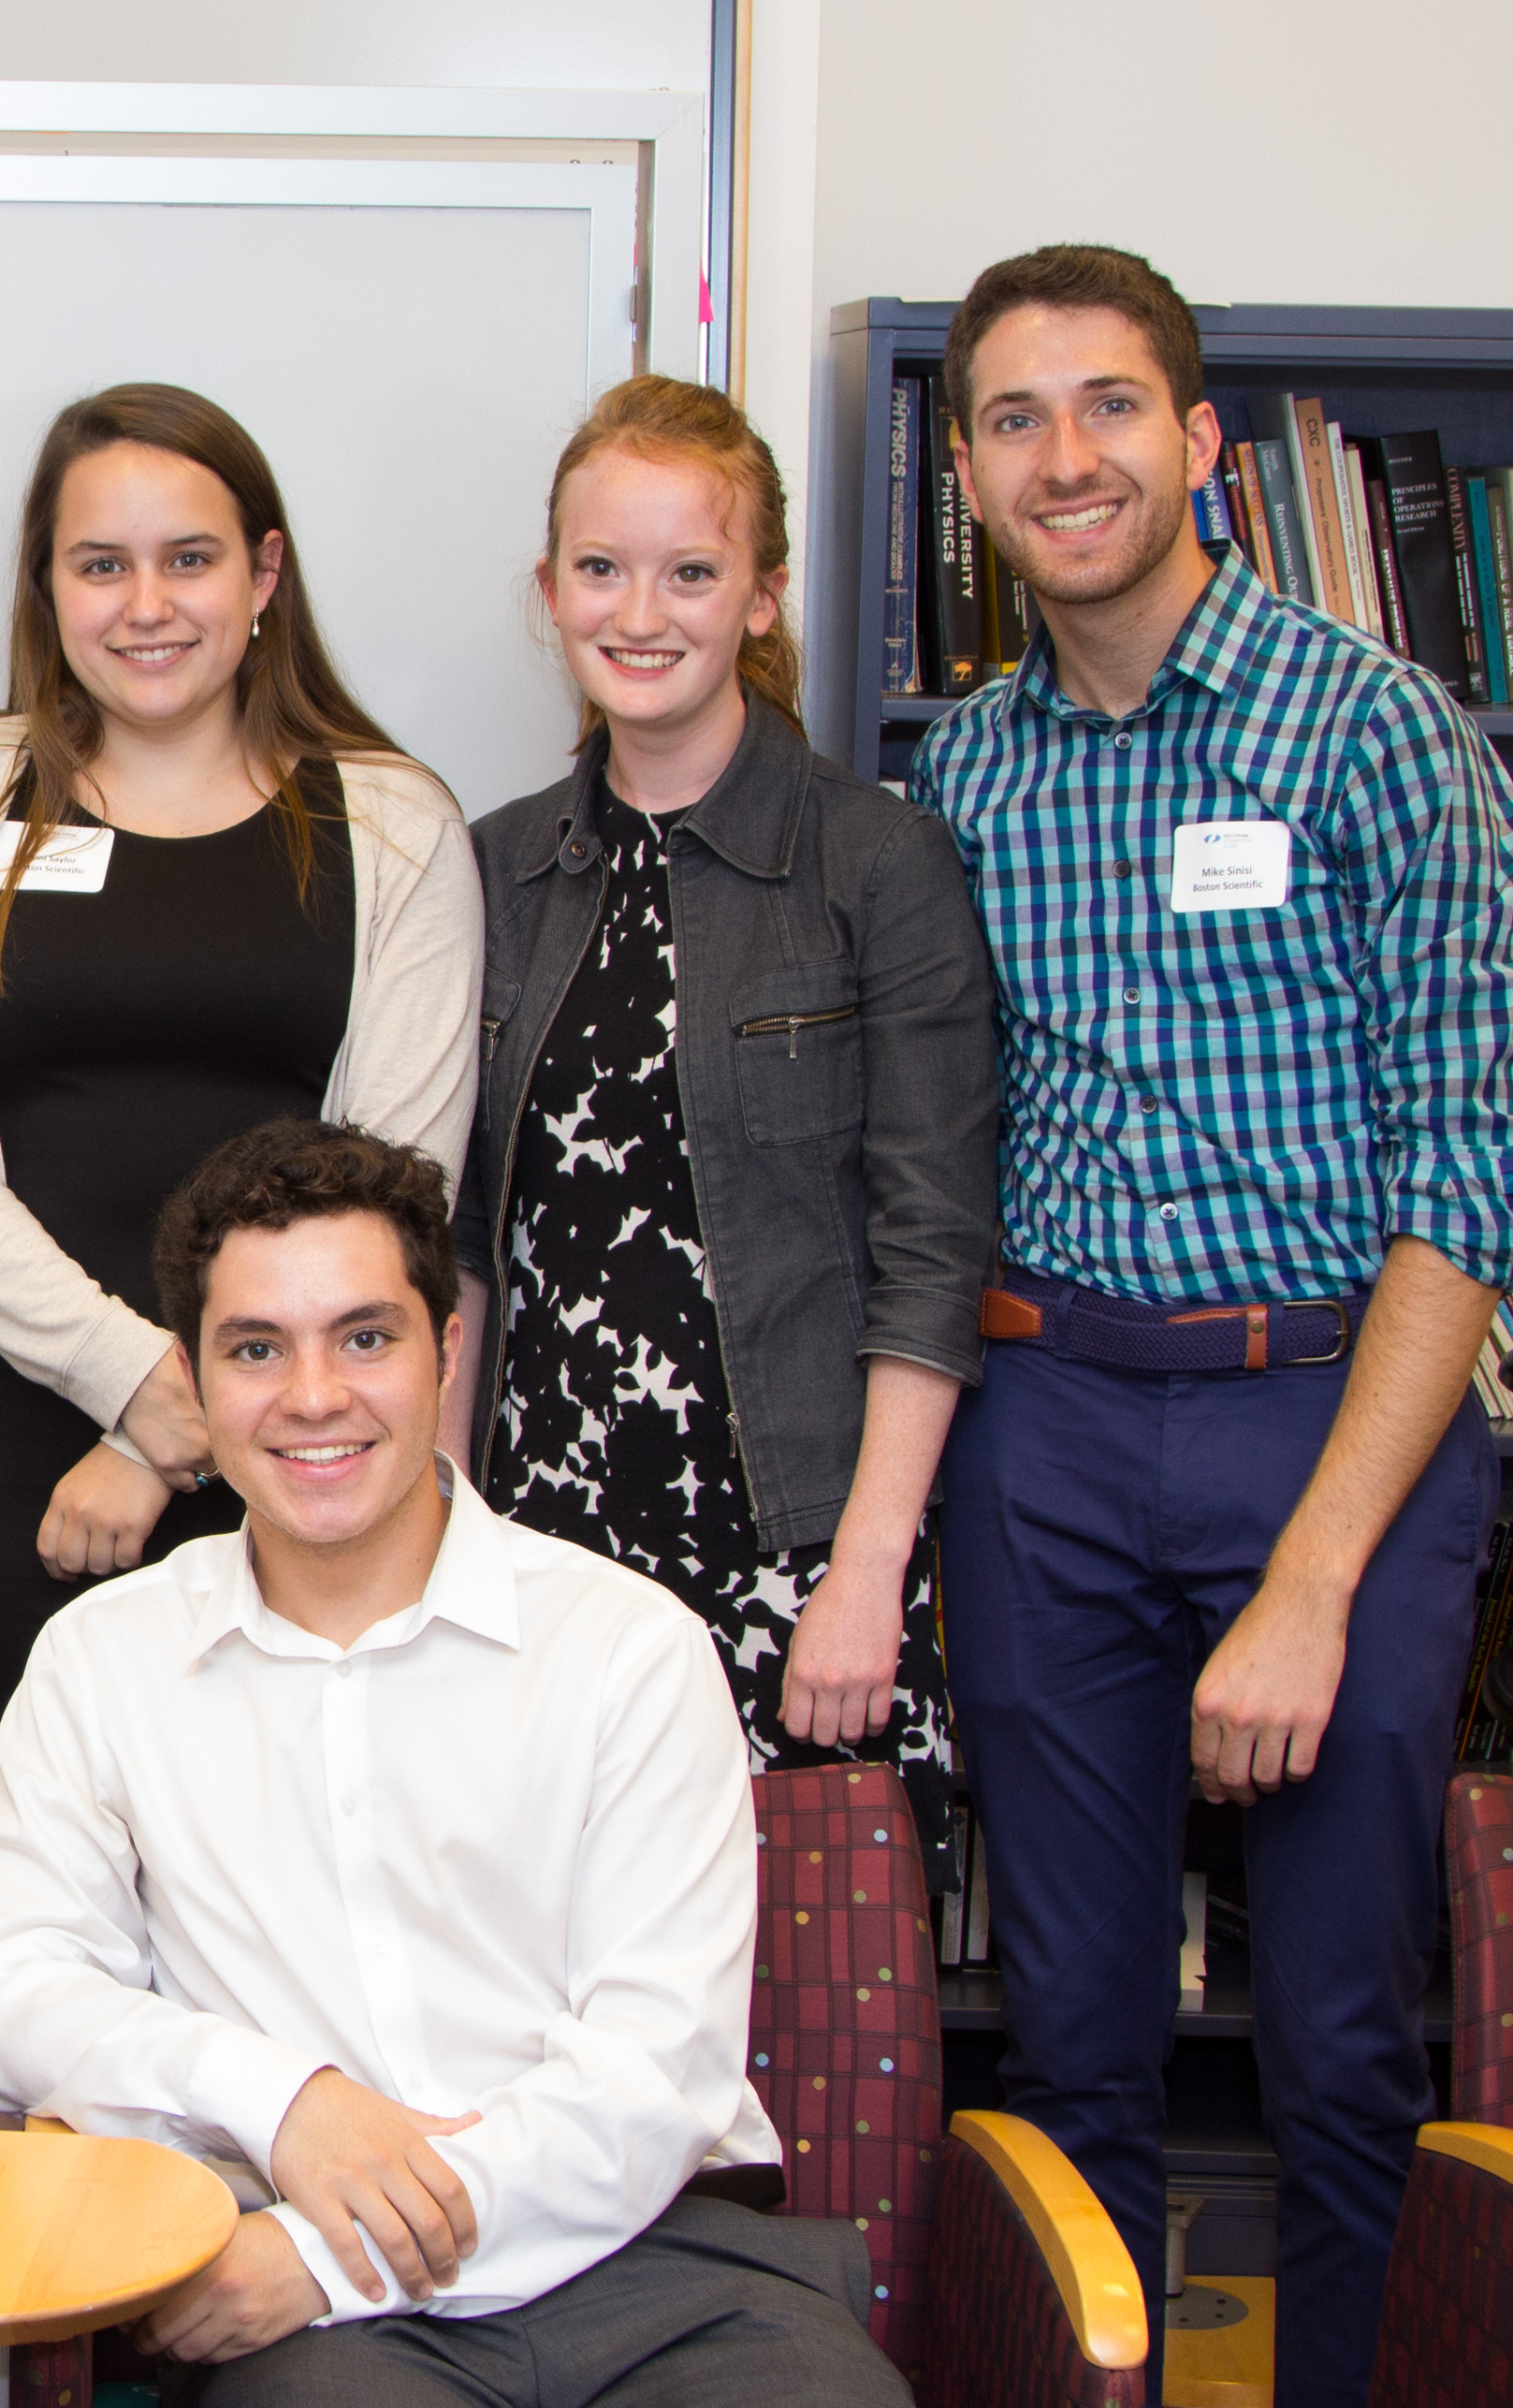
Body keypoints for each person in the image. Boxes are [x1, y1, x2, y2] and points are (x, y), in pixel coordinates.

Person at [0, 1119, 1048, 2408]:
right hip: (321, 2353)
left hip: (657, 2276)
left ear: (447, 1350)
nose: (311, 1397)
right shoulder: (108, 1663)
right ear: (195, 1378)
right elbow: (0, 2000)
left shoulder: (621, 1650)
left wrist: (323, 2254)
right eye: (255, 1349)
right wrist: (283, 2101)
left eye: (363, 1337)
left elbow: (654, 2075)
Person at [909, 242, 1513, 2408]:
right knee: (1056, 2048)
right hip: (1048, 1425)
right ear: (961, 474)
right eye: (1008, 422)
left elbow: (1462, 1192)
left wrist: (1303, 1582)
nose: (1058, 460)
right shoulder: (953, 772)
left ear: (1193, 436)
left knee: (1337, 2059)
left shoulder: (1373, 737)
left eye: (1102, 409)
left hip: (1327, 1420)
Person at [0, 383, 482, 1886]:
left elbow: (397, 1188)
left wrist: (185, 1427)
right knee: (24, 1950)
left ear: (263, 577)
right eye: (99, 564)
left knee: (276, 1926)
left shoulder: (389, 825)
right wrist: (134, 1381)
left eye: (188, 560)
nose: (146, 605)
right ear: (46, 587)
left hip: (298, 1453)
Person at [449, 375, 995, 1878]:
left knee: (801, 2032)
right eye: (601, 568)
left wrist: (864, 1572)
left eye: (691, 571)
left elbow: (931, 1247)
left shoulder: (876, 862)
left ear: (759, 598)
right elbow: (459, 1247)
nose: (641, 611)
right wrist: (436, 1541)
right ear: (550, 588)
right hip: (541, 1551)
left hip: (788, 1552)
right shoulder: (493, 868)